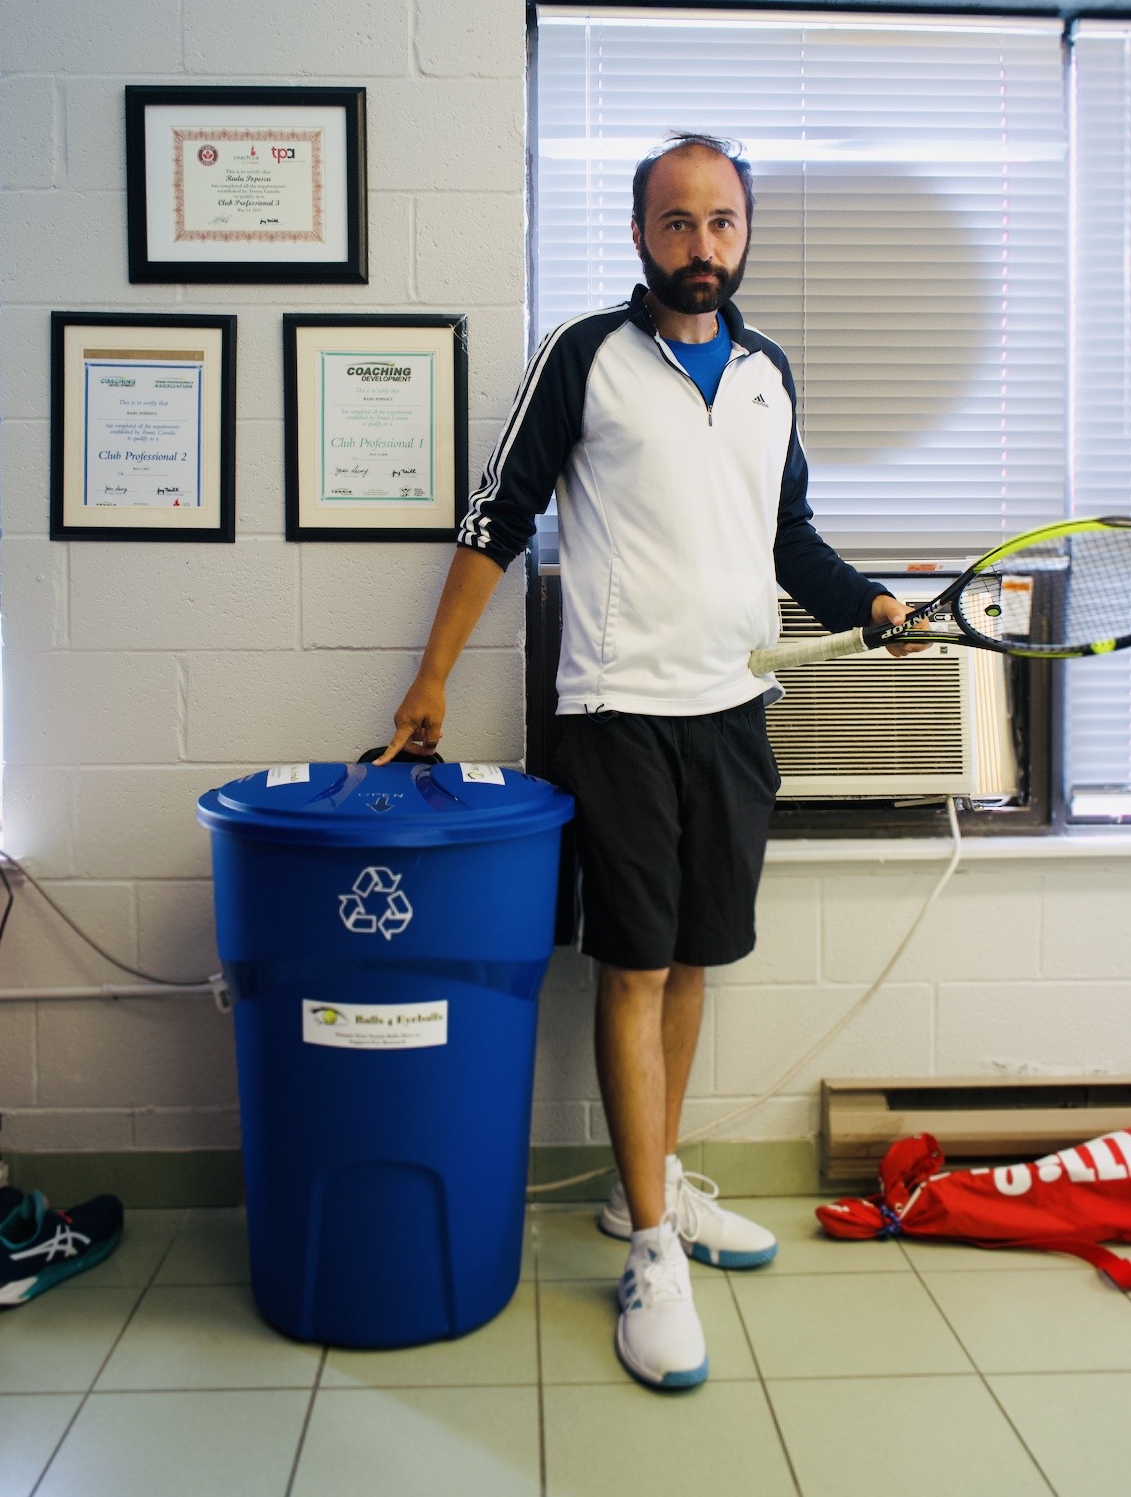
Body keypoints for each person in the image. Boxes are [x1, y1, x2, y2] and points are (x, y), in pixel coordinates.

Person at [377, 132, 921, 1391]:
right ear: (638, 235)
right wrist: (431, 675)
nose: (701, 245)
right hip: (615, 713)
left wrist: (868, 605)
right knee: (632, 968)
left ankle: (646, 1190)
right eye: (676, 222)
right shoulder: (584, 358)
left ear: (745, 234)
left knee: (692, 963)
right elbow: (497, 517)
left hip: (734, 710)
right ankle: (653, 1252)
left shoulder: (769, 375)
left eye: (721, 221)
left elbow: (788, 539)